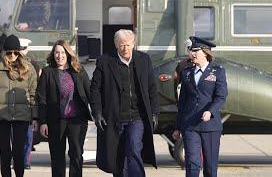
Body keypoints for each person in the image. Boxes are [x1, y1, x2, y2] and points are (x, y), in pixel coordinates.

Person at [90, 29, 159, 176]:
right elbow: (95, 89)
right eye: (121, 45)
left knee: (134, 148)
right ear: (116, 45)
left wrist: (154, 112)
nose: (125, 48)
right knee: (118, 157)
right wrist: (97, 113)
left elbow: (152, 88)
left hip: (137, 117)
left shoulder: (144, 59)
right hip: (115, 118)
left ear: (133, 44)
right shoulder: (105, 61)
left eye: (128, 45)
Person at [0, 34, 38, 177]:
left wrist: (34, 115)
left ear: (19, 52)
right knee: (5, 153)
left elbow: (34, 93)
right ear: (4, 52)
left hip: (22, 116)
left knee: (18, 153)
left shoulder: (29, 68)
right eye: (9, 52)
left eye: (15, 52)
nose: (12, 55)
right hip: (1, 116)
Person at [172, 36, 228, 177]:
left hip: (210, 126)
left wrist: (210, 111)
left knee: (210, 166)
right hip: (190, 125)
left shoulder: (218, 71)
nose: (193, 53)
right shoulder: (187, 73)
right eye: (191, 50)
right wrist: (178, 127)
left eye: (196, 50)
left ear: (205, 52)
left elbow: (221, 96)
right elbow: (183, 102)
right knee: (192, 164)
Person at [37, 40, 92, 177]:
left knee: (76, 154)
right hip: (56, 121)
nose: (59, 56)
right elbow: (41, 99)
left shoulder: (78, 70)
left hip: (77, 120)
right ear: (53, 54)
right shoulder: (47, 72)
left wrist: (99, 112)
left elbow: (90, 92)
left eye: (62, 52)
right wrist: (42, 121)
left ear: (68, 54)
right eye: (57, 52)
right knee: (57, 157)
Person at [18, 38, 41, 170]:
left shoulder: (33, 65)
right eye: (19, 49)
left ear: (27, 50)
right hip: (15, 107)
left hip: (27, 106)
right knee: (16, 137)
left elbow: (35, 88)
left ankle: (25, 160)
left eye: (23, 49)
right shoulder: (10, 64)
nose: (21, 52)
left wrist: (35, 113)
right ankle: (17, 158)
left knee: (27, 137)